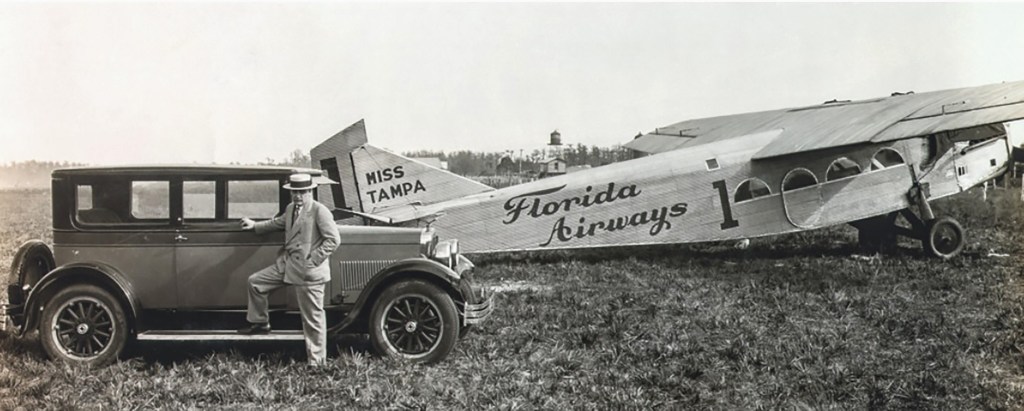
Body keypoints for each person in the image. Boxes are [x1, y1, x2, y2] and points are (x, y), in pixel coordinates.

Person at [237, 173, 340, 366]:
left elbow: (333, 240)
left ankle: (317, 363)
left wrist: (313, 259)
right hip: (289, 264)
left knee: (313, 318)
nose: (297, 196)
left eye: (301, 192)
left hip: (309, 271)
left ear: (310, 191)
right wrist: (255, 225)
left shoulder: (319, 211)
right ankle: (260, 322)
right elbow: (278, 223)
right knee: (256, 282)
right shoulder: (291, 208)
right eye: (294, 192)